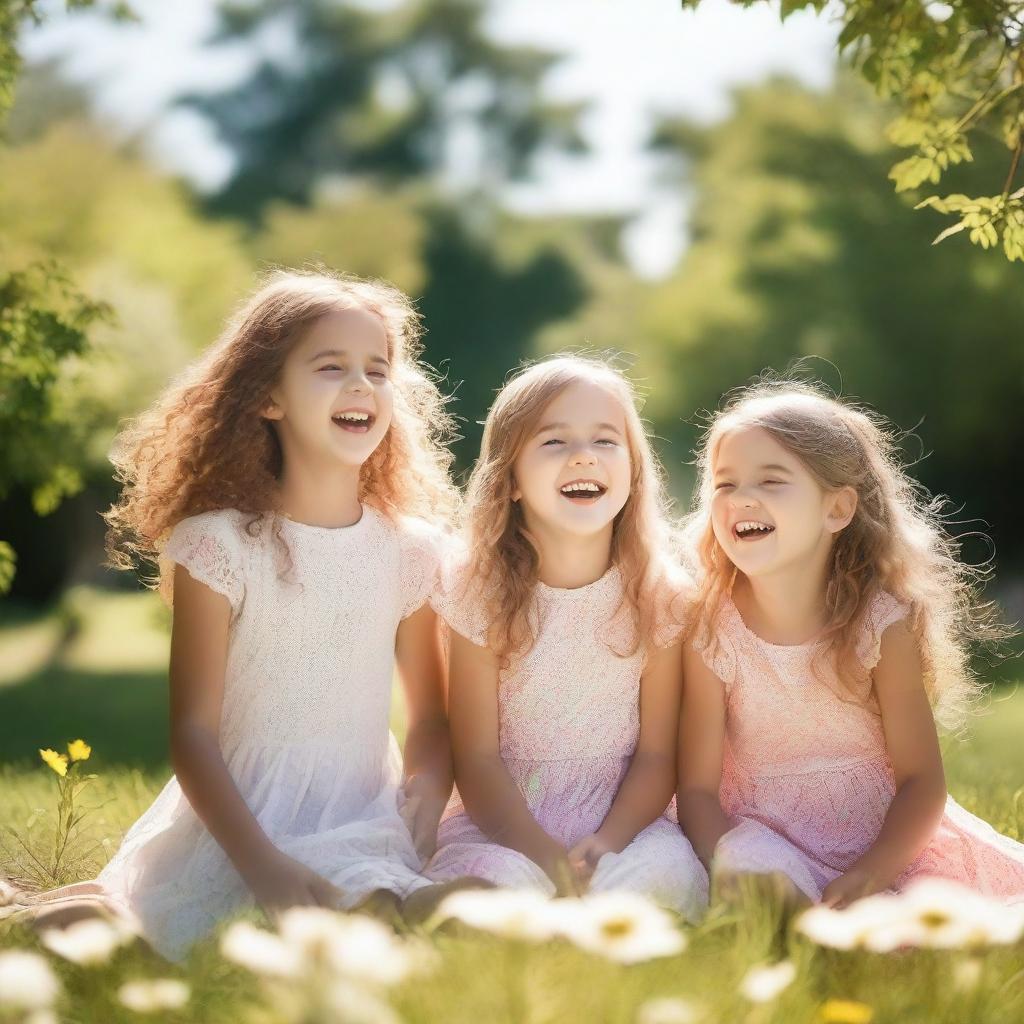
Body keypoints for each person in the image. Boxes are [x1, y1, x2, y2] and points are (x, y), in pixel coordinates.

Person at [6, 268, 457, 959]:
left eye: (378, 368)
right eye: (331, 367)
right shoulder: (216, 546)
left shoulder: (411, 551)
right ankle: (48, 913)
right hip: (236, 824)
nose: (361, 385)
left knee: (393, 914)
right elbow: (193, 733)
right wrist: (263, 864)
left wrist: (426, 798)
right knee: (124, 942)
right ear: (268, 396)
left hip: (362, 813)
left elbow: (430, 717)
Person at [676, 379, 1024, 909]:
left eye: (772, 480)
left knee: (938, 914)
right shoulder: (710, 629)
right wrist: (723, 861)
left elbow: (922, 783)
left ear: (837, 510)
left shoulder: (880, 624)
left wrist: (869, 876)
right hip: (763, 835)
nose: (743, 498)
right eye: (725, 484)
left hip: (882, 838)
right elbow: (697, 790)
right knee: (760, 881)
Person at [421, 355, 707, 920]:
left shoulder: (662, 598)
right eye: (554, 442)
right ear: (510, 481)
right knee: (489, 887)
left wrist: (609, 840)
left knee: (661, 876)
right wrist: (540, 853)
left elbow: (657, 756)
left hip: (623, 823)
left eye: (606, 440)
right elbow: (475, 756)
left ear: (635, 471)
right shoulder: (474, 594)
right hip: (504, 823)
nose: (583, 455)